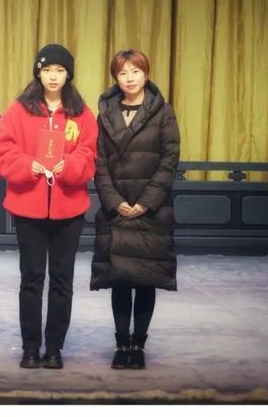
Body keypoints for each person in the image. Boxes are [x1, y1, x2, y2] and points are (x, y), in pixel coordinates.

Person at [0, 44, 97, 369]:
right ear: (38, 72)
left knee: (62, 280)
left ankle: (54, 348)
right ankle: (30, 347)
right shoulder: (19, 110)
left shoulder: (81, 113)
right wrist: (28, 165)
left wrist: (69, 165)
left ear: (68, 75)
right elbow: (3, 150)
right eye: (48, 69)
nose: (53, 76)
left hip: (69, 208)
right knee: (32, 278)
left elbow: (90, 152)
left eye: (60, 70)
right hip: (29, 207)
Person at [91, 49, 180, 369]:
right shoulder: (105, 113)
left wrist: (146, 202)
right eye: (123, 73)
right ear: (115, 77)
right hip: (116, 208)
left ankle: (138, 345)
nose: (129, 78)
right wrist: (115, 201)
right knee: (120, 279)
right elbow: (99, 162)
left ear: (146, 74)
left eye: (135, 72)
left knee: (144, 278)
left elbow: (169, 160)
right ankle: (121, 344)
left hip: (150, 210)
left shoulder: (163, 112)